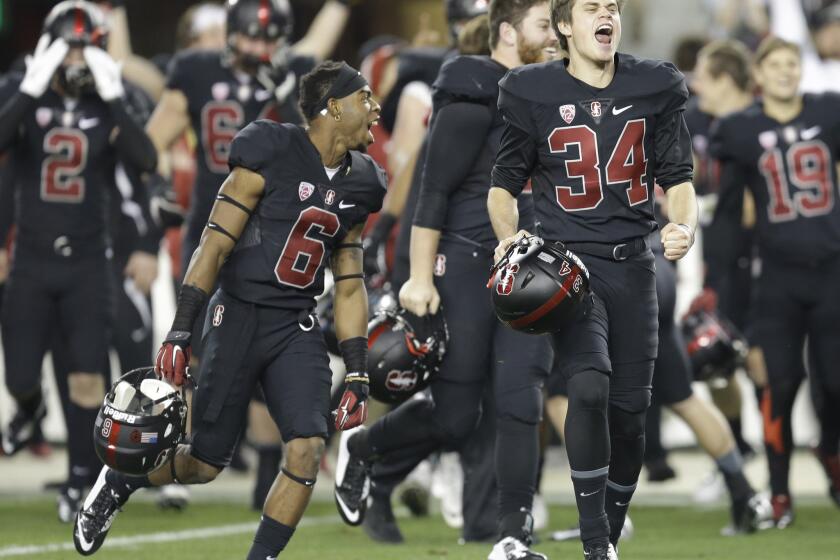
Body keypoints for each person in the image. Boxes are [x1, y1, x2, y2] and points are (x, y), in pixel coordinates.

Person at [73, 60, 386, 558]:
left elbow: (349, 283)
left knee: (307, 449)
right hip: (238, 313)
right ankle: (119, 480)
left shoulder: (364, 182)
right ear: (333, 106)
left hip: (295, 324)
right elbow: (213, 246)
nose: (375, 108)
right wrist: (180, 331)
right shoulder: (272, 150)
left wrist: (357, 372)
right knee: (203, 463)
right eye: (365, 98)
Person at [333, 2, 558, 558]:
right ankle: (365, 448)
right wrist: (416, 276)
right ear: (508, 33)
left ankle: (511, 533)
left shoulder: (554, 97)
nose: (558, 37)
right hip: (462, 261)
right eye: (545, 27)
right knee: (458, 415)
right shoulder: (472, 96)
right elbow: (430, 195)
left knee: (519, 401)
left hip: (524, 267)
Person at [487, 0, 698, 557]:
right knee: (587, 385)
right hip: (569, 268)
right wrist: (509, 239)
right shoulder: (530, 90)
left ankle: (607, 528)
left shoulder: (654, 84)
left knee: (630, 415)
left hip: (634, 265)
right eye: (591, 7)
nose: (606, 15)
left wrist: (683, 225)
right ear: (564, 24)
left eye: (612, 6)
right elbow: (504, 184)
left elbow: (678, 177)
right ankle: (595, 544)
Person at [0, 0, 156, 511]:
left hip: (89, 262)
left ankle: (81, 482)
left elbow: (145, 159)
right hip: (32, 259)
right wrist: (29, 85)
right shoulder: (26, 91)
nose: (76, 61)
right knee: (20, 376)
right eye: (68, 48)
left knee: (87, 374)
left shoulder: (113, 99)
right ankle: (31, 407)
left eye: (85, 49)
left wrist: (112, 95)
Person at [709, 35, 840, 528]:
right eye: (776, 64)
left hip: (832, 271)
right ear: (758, 77)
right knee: (778, 386)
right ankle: (780, 493)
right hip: (778, 277)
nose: (786, 71)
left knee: (836, 383)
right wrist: (719, 287)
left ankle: (830, 450)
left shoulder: (830, 112)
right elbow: (727, 217)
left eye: (793, 63)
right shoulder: (740, 130)